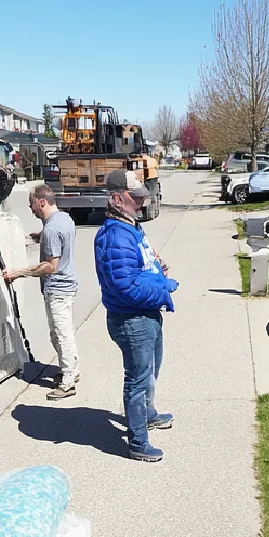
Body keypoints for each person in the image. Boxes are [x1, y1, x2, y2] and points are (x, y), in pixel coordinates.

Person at [94, 169, 177, 462]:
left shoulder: (130, 228)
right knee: (138, 380)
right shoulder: (115, 235)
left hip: (146, 316)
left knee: (150, 372)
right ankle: (138, 442)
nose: (142, 203)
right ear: (118, 199)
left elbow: (140, 266)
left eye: (143, 196)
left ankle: (148, 415)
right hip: (132, 320)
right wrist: (164, 288)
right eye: (136, 197)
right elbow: (125, 287)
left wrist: (157, 269)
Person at [3, 185, 79, 400]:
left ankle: (67, 383)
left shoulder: (52, 229)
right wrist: (41, 237)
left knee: (61, 335)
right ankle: (72, 370)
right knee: (63, 333)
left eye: (32, 204)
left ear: (42, 202)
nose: (30, 208)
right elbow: (61, 244)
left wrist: (19, 272)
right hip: (68, 286)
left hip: (58, 288)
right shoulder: (63, 219)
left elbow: (50, 266)